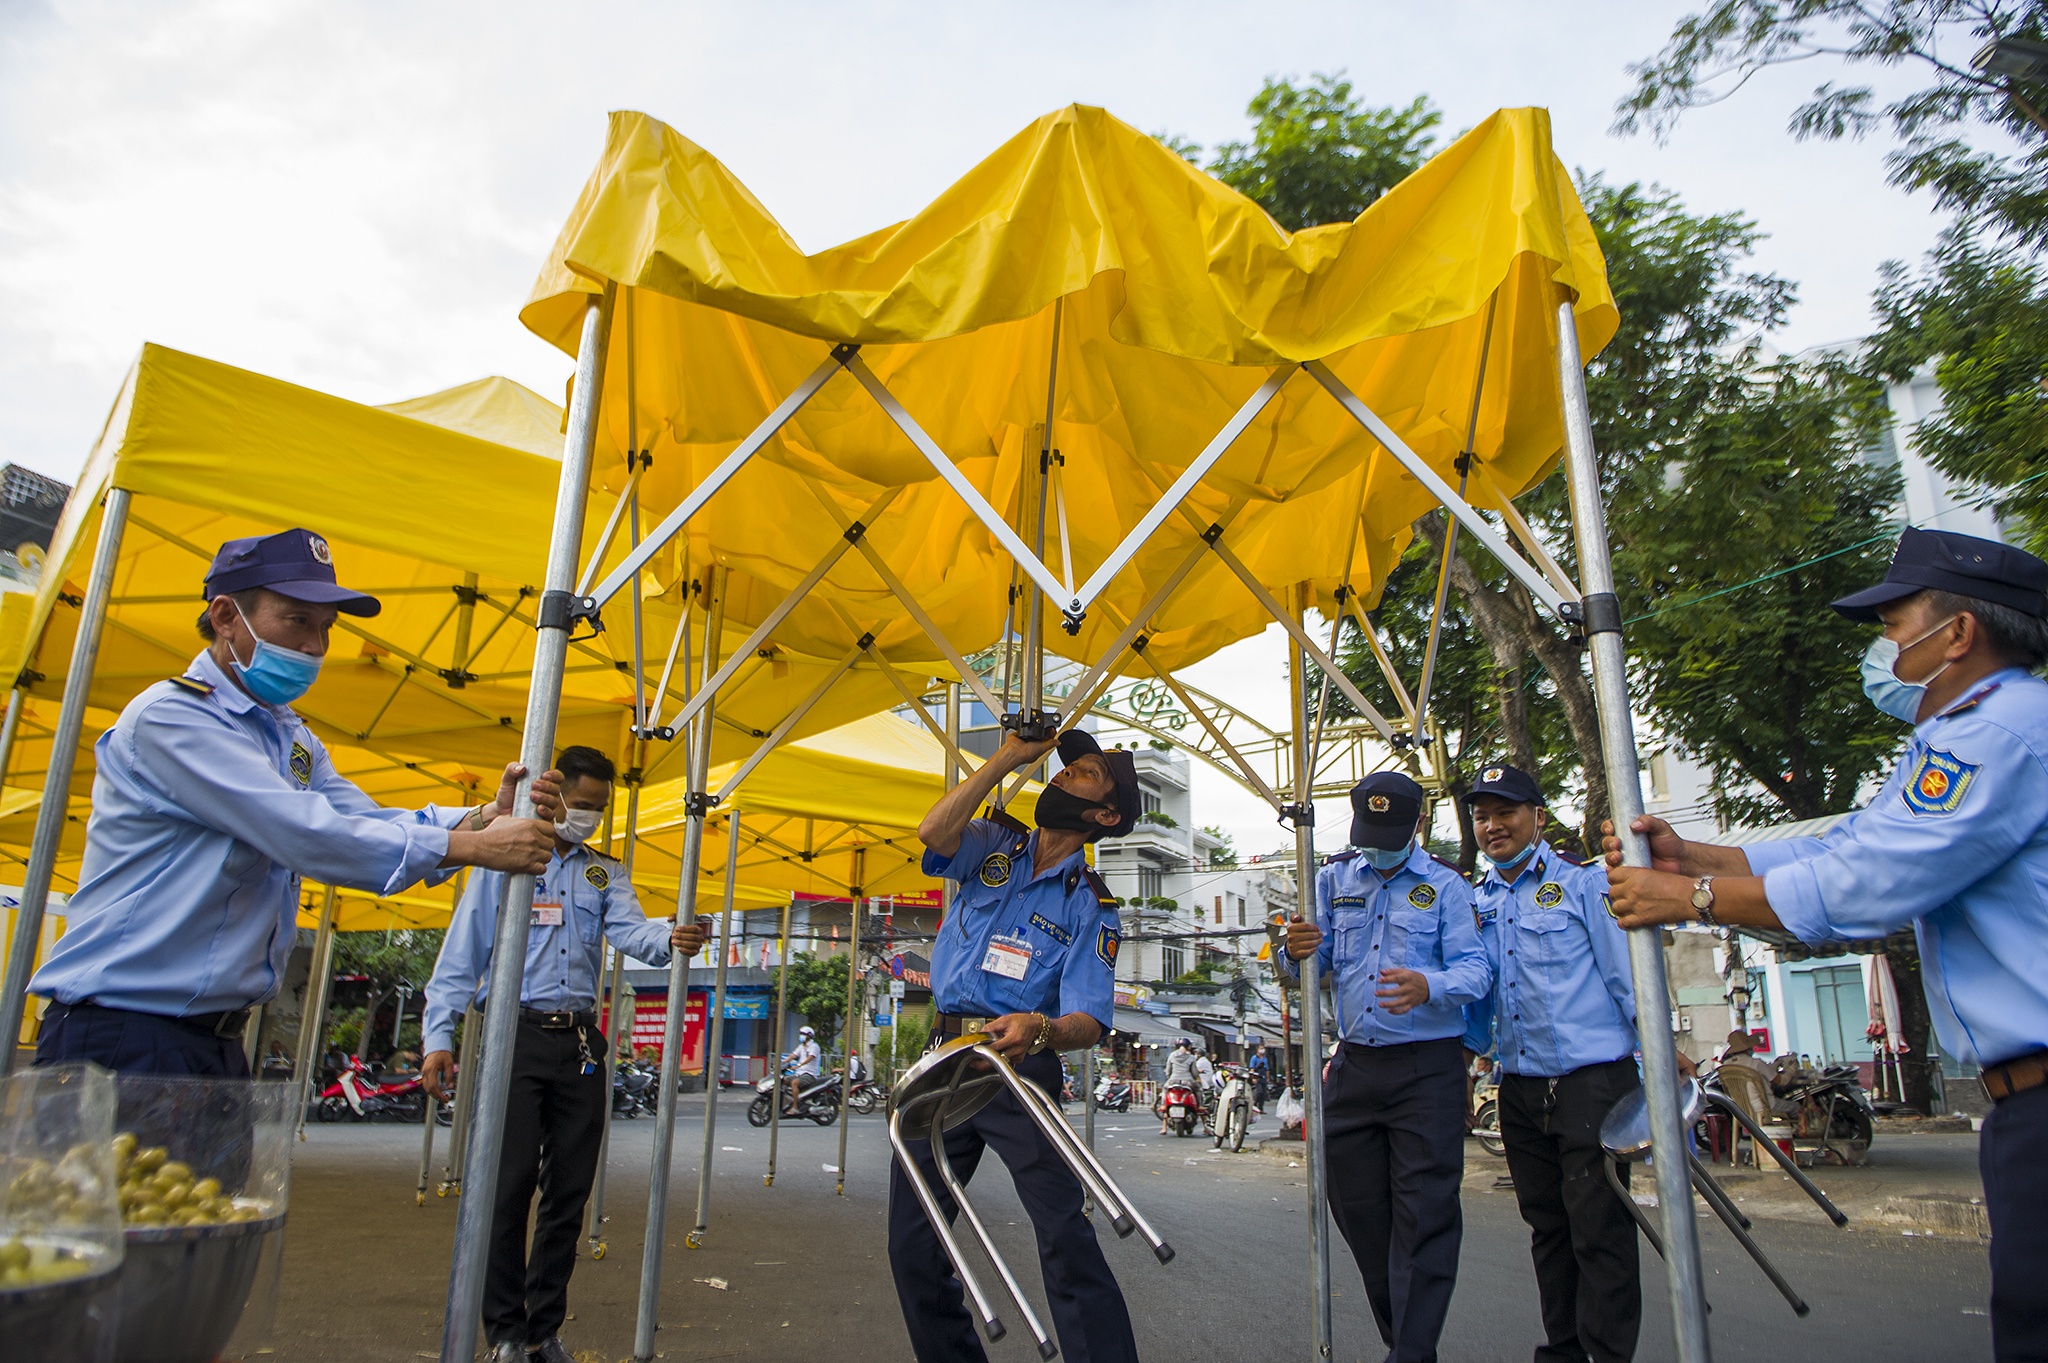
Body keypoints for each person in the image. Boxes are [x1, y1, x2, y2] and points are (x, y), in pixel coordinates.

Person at [1603, 526, 2048, 1361]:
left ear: (1956, 634)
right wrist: (1697, 857)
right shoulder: (1972, 733)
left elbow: (1866, 881)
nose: (1883, 644)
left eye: (1894, 620)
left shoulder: (1995, 733)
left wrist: (1692, 895)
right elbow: (1840, 847)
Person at [30, 528, 559, 1077]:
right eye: (297, 621)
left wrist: (481, 817)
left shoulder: (291, 737)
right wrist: (475, 848)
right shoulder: (173, 717)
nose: (316, 646)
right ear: (225, 616)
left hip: (211, 1039)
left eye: (326, 628)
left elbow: (358, 819)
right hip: (126, 1033)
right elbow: (305, 833)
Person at [421, 745, 706, 1363]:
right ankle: (502, 1332)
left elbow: (630, 930)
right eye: (582, 805)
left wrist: (672, 935)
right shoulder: (504, 857)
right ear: (552, 794)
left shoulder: (602, 871)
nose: (590, 819)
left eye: (600, 809)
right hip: (512, 1038)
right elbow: (460, 956)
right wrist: (437, 1037)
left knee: (569, 1192)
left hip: (578, 1040)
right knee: (507, 1185)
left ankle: (543, 1328)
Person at [892, 726, 1140, 1363]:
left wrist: (1044, 1028)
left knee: (1063, 1233)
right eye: (1065, 767)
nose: (1060, 775)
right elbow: (932, 833)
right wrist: (1006, 757)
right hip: (946, 1060)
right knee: (915, 1244)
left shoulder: (1092, 905)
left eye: (1082, 772)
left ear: (1104, 814)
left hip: (1021, 1070)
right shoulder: (994, 843)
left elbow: (1088, 1022)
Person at [1462, 762, 1671, 1363]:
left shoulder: (1583, 886)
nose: (1493, 826)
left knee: (1598, 1228)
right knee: (1548, 1229)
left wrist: (1658, 1049)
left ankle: (1607, 1355)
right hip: (1521, 1088)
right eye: (1482, 817)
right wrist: (1463, 1060)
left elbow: (1625, 975)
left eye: (1505, 812)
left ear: (1538, 817)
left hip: (1592, 1083)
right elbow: (1480, 1002)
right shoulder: (1479, 902)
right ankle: (1564, 1351)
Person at [1284, 770, 1491, 1363]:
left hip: (1426, 1070)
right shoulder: (1330, 878)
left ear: (1418, 826)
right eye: (1368, 831)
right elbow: (1306, 962)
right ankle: (1406, 1341)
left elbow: (1478, 973)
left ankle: (1411, 1353)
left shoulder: (1448, 887)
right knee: (1356, 1208)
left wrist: (1430, 985)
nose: (1377, 844)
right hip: (1354, 1066)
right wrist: (1291, 948)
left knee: (1424, 1217)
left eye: (1390, 831)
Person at [1159, 1040, 1202, 1133]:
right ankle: (1200, 1106)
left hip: (1172, 1081)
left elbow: (1168, 1071)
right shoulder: (1191, 1057)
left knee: (1165, 1090)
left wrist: (1169, 1076)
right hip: (1188, 1082)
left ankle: (1163, 1105)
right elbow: (1195, 1073)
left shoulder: (1172, 1055)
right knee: (1198, 1090)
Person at [785, 1024, 823, 1114]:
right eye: (801, 1034)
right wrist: (782, 1062)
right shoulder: (801, 1046)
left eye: (803, 1034)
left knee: (794, 1083)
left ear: (809, 1036)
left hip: (810, 1074)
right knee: (784, 1080)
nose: (801, 1036)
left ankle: (795, 1107)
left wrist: (798, 1065)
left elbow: (810, 1058)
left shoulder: (814, 1046)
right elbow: (793, 1055)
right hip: (800, 1073)